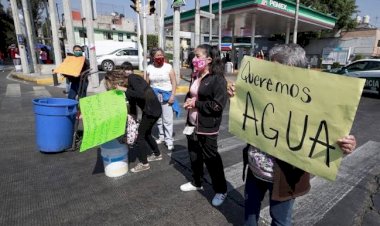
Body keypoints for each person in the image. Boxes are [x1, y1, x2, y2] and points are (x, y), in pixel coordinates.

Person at [227, 44, 357, 226]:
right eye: (272, 68)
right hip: (255, 170)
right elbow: (246, 112)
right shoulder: (260, 87)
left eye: (281, 70)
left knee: (281, 221)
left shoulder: (314, 100)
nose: (275, 76)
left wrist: (345, 144)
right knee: (249, 214)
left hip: (285, 178)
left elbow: (329, 130)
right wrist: (235, 96)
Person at [180, 44, 229, 207]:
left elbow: (217, 106)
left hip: (208, 128)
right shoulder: (195, 75)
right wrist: (189, 100)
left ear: (208, 59)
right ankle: (196, 182)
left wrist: (196, 104)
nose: (194, 59)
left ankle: (221, 190)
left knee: (211, 159)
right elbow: (192, 93)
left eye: (197, 56)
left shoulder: (218, 79)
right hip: (192, 124)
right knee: (194, 155)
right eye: (194, 56)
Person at [112, 62, 163, 173]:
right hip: (151, 109)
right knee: (147, 133)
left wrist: (124, 90)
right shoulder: (131, 83)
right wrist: (133, 115)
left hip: (152, 110)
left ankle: (144, 164)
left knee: (140, 136)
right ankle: (157, 154)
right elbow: (133, 101)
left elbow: (141, 95)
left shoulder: (132, 78)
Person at [146, 47, 179, 151]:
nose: (160, 57)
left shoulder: (168, 67)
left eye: (161, 55)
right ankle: (161, 136)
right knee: (158, 118)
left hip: (167, 95)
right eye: (157, 55)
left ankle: (169, 140)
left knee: (167, 120)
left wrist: (172, 95)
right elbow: (146, 84)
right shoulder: (149, 68)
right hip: (154, 96)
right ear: (152, 57)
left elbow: (174, 82)